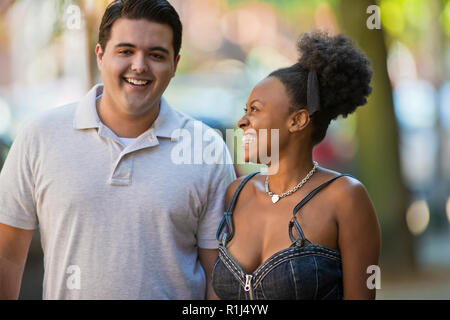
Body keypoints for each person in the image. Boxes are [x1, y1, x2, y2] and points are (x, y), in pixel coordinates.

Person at [0, 0, 235, 300]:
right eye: (126, 51)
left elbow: (219, 278)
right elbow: (5, 256)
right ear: (101, 55)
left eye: (156, 54)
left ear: (175, 65)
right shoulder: (39, 136)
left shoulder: (206, 149)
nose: (139, 65)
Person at [212, 31, 381, 300]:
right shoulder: (237, 193)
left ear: (298, 121)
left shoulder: (346, 197)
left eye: (255, 109)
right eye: (245, 110)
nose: (242, 121)